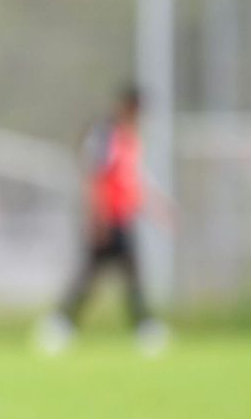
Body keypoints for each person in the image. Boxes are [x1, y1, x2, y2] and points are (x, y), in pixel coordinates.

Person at [37, 85, 172, 354]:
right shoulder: (105, 135)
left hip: (122, 217)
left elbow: (133, 181)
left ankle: (142, 328)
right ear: (127, 106)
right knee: (94, 276)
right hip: (106, 218)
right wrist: (96, 217)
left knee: (126, 275)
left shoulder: (129, 138)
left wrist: (157, 206)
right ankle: (60, 326)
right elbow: (94, 177)